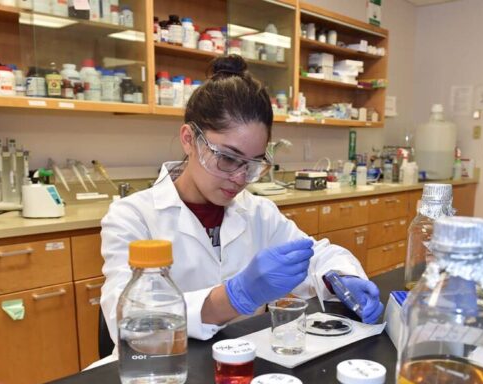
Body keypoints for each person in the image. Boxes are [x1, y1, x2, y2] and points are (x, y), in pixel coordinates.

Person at [100, 55, 383, 352]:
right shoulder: (132, 217)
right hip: (160, 374)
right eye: (227, 158)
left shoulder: (259, 212)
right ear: (188, 139)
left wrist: (340, 277)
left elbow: (319, 256)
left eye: (252, 164)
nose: (239, 178)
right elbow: (129, 324)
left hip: (241, 368)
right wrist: (234, 296)